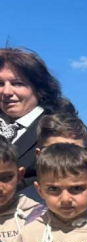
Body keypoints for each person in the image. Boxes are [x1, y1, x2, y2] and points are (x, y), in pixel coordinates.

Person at [0, 47, 77, 184]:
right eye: (0, 84)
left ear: (40, 90)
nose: (6, 92)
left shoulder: (59, 129)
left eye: (17, 84)